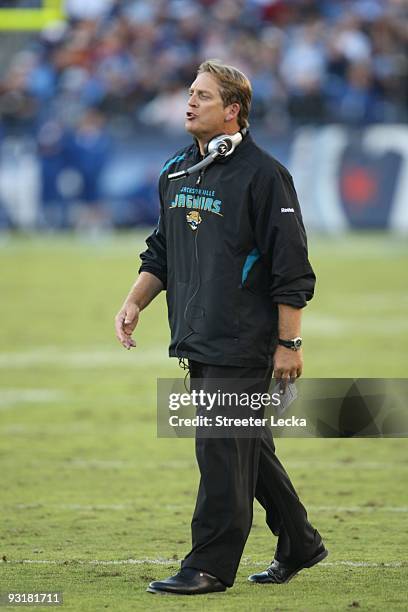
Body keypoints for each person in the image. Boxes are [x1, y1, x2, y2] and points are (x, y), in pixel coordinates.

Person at [115, 59, 328, 595]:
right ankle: (300, 542)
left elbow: (292, 269)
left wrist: (289, 343)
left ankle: (208, 566)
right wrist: (136, 300)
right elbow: (161, 249)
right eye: (189, 92)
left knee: (219, 450)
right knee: (246, 450)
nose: (189, 102)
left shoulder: (264, 174)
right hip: (197, 336)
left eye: (203, 95)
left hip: (244, 341)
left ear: (232, 112)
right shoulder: (177, 170)